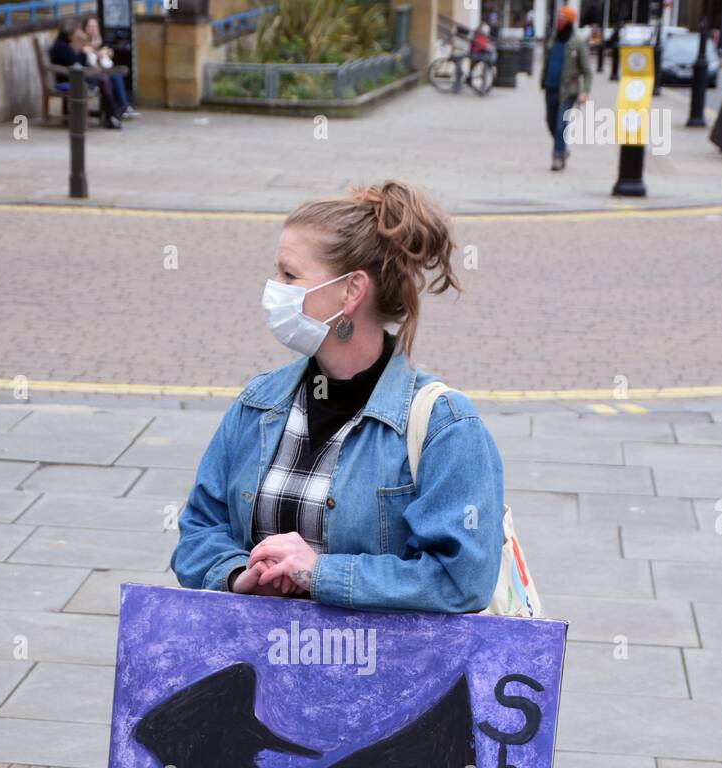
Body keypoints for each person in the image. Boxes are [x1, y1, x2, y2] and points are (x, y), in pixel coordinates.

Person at [172, 181, 505, 617]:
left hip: (385, 679)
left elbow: (462, 580)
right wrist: (238, 575)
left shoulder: (446, 426)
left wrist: (320, 573)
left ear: (351, 291)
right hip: (261, 674)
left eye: (290, 275)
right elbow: (198, 530)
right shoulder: (259, 402)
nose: (275, 288)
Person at [540, 6, 592, 171]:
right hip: (550, 87)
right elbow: (547, 61)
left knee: (560, 124)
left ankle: (557, 157)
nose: (560, 21)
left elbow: (587, 70)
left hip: (568, 91)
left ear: (570, 21)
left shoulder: (577, 42)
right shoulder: (553, 38)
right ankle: (562, 149)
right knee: (550, 121)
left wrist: (585, 91)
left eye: (563, 18)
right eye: (559, 18)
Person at [49, 23, 122, 129]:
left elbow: (79, 64)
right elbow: (74, 64)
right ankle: (112, 114)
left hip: (76, 76)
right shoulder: (61, 47)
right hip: (69, 79)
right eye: (74, 35)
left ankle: (112, 113)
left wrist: (82, 52)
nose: (76, 38)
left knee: (106, 79)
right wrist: (80, 51)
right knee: (104, 80)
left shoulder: (67, 45)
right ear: (69, 36)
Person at [81, 14, 139, 119]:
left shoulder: (98, 40)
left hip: (101, 72)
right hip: (89, 74)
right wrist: (98, 53)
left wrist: (106, 53)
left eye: (95, 26)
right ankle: (120, 109)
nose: (93, 29)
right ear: (85, 28)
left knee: (117, 76)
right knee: (114, 77)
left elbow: (105, 58)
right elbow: (89, 58)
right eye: (90, 26)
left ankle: (121, 108)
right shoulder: (82, 41)